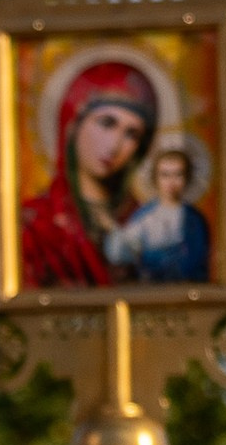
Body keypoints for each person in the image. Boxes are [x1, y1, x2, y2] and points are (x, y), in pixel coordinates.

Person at [19, 55, 158, 287]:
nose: (114, 146)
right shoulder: (35, 224)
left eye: (131, 134)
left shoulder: (145, 220)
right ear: (73, 123)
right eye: (106, 123)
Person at [108, 137, 212, 284]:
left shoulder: (195, 219)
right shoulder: (143, 217)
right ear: (155, 178)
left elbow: (198, 262)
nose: (171, 182)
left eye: (178, 174)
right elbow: (123, 255)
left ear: (187, 177)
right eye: (165, 175)